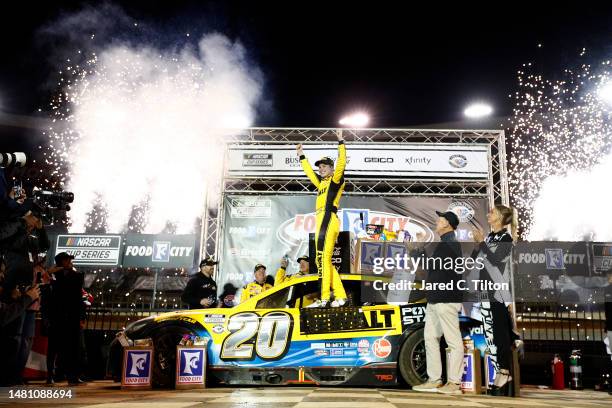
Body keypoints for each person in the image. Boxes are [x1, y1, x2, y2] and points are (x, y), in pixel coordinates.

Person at [413, 210, 464, 395]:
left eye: (441, 218)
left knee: (453, 340)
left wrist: (416, 250)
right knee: (430, 338)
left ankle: (454, 383)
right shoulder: (445, 244)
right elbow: (432, 270)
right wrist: (417, 250)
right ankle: (434, 380)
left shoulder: (450, 244)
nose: (437, 220)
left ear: (447, 224)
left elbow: (429, 268)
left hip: (446, 299)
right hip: (436, 299)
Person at [296, 131, 348, 307]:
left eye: (325, 165)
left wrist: (340, 142)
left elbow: (341, 164)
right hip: (321, 221)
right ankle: (340, 296)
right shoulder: (321, 183)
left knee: (323, 260)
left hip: (329, 219)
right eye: (320, 166)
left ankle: (325, 298)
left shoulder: (335, 180)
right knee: (321, 260)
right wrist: (302, 156)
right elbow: (310, 173)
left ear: (332, 168)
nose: (321, 168)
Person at [471, 204, 519, 394]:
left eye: (492, 212)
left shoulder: (506, 238)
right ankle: (499, 369)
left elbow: (497, 261)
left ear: (500, 217)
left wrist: (482, 243)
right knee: (490, 332)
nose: (488, 214)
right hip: (485, 289)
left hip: (497, 290)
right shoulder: (490, 237)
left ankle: (505, 370)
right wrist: (478, 244)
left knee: (499, 332)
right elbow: (478, 258)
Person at [46, 252, 86, 386]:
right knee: (53, 348)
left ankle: (72, 377)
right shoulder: (53, 276)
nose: (70, 262)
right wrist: (50, 273)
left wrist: (81, 317)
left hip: (72, 318)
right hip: (56, 317)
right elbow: (48, 295)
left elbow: (79, 298)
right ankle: (50, 376)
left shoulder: (77, 276)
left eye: (70, 260)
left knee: (73, 348)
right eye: (67, 260)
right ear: (60, 262)